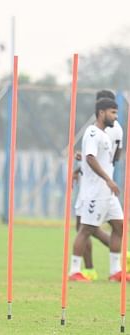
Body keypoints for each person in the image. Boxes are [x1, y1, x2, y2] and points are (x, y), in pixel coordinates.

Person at [69, 97, 130, 282]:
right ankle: (74, 272)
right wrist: (108, 180)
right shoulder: (93, 133)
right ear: (102, 113)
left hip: (108, 192)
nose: (115, 116)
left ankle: (115, 271)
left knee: (119, 226)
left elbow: (106, 159)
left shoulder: (106, 134)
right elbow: (90, 158)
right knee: (86, 229)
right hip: (96, 191)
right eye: (112, 112)